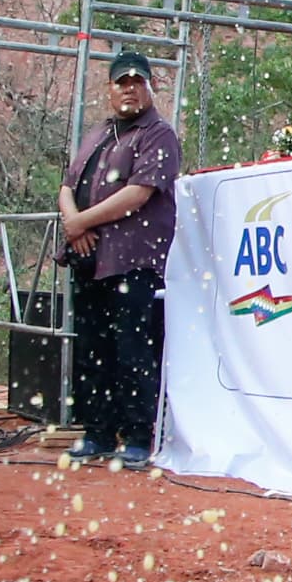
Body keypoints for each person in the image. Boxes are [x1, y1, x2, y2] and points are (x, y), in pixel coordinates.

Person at [60, 50, 179, 470]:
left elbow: (137, 194)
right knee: (92, 349)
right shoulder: (98, 133)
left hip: (133, 262)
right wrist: (74, 224)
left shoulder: (159, 134)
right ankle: (97, 431)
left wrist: (82, 221)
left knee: (132, 349)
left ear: (151, 87)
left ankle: (138, 436)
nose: (129, 89)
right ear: (109, 90)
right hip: (90, 259)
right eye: (121, 83)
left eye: (137, 82)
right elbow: (67, 185)